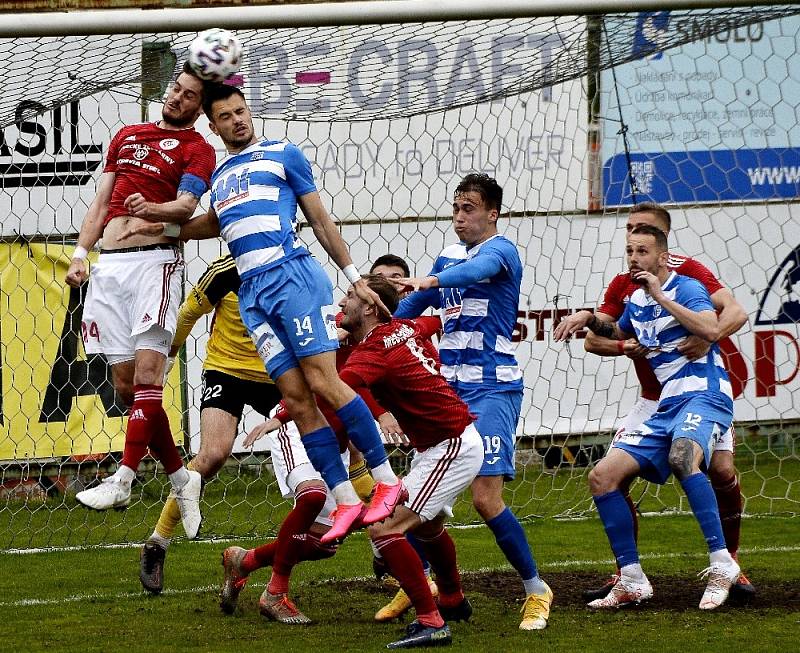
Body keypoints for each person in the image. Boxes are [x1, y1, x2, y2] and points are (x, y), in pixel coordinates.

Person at [121, 82, 403, 542]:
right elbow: (212, 223)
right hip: (254, 295)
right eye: (226, 116)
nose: (237, 120)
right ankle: (347, 500)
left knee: (323, 382)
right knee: (295, 399)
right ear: (213, 127)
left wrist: (353, 275)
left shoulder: (283, 153)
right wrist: (158, 220)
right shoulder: (219, 172)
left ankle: (387, 481)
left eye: (241, 111)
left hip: (292, 278)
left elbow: (320, 219)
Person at [250, 275, 484, 648]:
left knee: (384, 529)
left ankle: (431, 619)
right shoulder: (403, 327)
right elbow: (430, 322)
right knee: (427, 527)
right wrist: (449, 314)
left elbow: (327, 392)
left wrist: (279, 414)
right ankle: (452, 599)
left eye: (349, 297)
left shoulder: (373, 352)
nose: (341, 304)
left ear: (370, 306)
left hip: (450, 447)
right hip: (447, 444)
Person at [556, 202, 753, 603]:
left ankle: (727, 562)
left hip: (704, 393)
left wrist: (705, 333)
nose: (633, 252)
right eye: (629, 240)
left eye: (641, 241)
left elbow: (728, 315)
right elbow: (607, 331)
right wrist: (591, 320)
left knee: (713, 466)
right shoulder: (631, 291)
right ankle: (629, 577)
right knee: (604, 477)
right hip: (659, 402)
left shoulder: (689, 277)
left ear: (663, 246)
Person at [393, 173, 553, 630]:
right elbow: (410, 312)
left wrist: (431, 279)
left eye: (469, 208)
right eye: (456, 207)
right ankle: (438, 594)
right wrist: (375, 328)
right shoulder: (446, 258)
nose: (459, 216)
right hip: (449, 392)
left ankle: (536, 588)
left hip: (493, 388)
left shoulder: (501, 251)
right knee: (423, 500)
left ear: (492, 213)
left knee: (485, 499)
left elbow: (470, 274)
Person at [66, 62, 216, 539]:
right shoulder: (128, 134)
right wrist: (79, 254)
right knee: (129, 389)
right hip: (109, 268)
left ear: (199, 108)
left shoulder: (198, 149)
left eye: (190, 95)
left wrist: (153, 210)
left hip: (156, 264)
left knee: (151, 377)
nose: (177, 97)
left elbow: (187, 208)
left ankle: (124, 479)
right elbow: (99, 203)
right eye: (176, 88)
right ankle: (182, 480)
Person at [138, 254, 282, 593]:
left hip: (276, 372)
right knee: (212, 456)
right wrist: (168, 356)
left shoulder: (291, 266)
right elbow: (188, 312)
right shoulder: (224, 270)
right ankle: (157, 544)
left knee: (320, 443)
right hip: (226, 369)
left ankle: (380, 540)